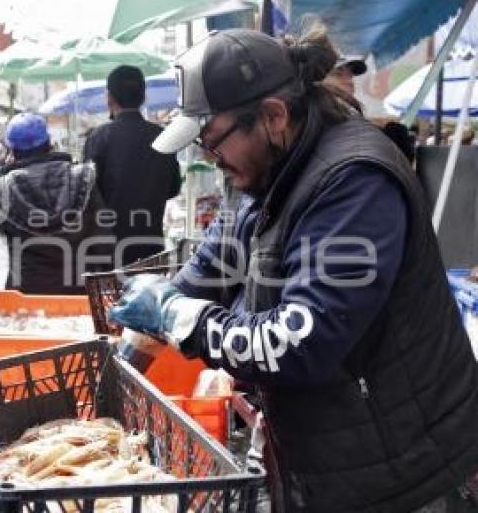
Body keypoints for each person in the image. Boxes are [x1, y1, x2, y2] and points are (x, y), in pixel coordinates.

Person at [109, 28, 478, 512]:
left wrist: (180, 317)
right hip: (320, 458)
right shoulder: (261, 172)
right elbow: (212, 266)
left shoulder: (353, 182)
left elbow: (303, 341)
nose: (208, 157)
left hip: (405, 471)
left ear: (273, 116)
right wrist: (129, 353)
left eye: (212, 140)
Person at [0, 113, 109, 294]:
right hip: (79, 290)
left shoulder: (1, 188)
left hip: (26, 295)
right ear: (49, 143)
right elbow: (103, 239)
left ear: (12, 151)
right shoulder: (83, 177)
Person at [83, 65, 182, 266]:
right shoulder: (162, 136)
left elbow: (87, 196)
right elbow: (173, 188)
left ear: (109, 98)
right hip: (151, 249)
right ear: (143, 97)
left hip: (108, 252)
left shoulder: (99, 138)